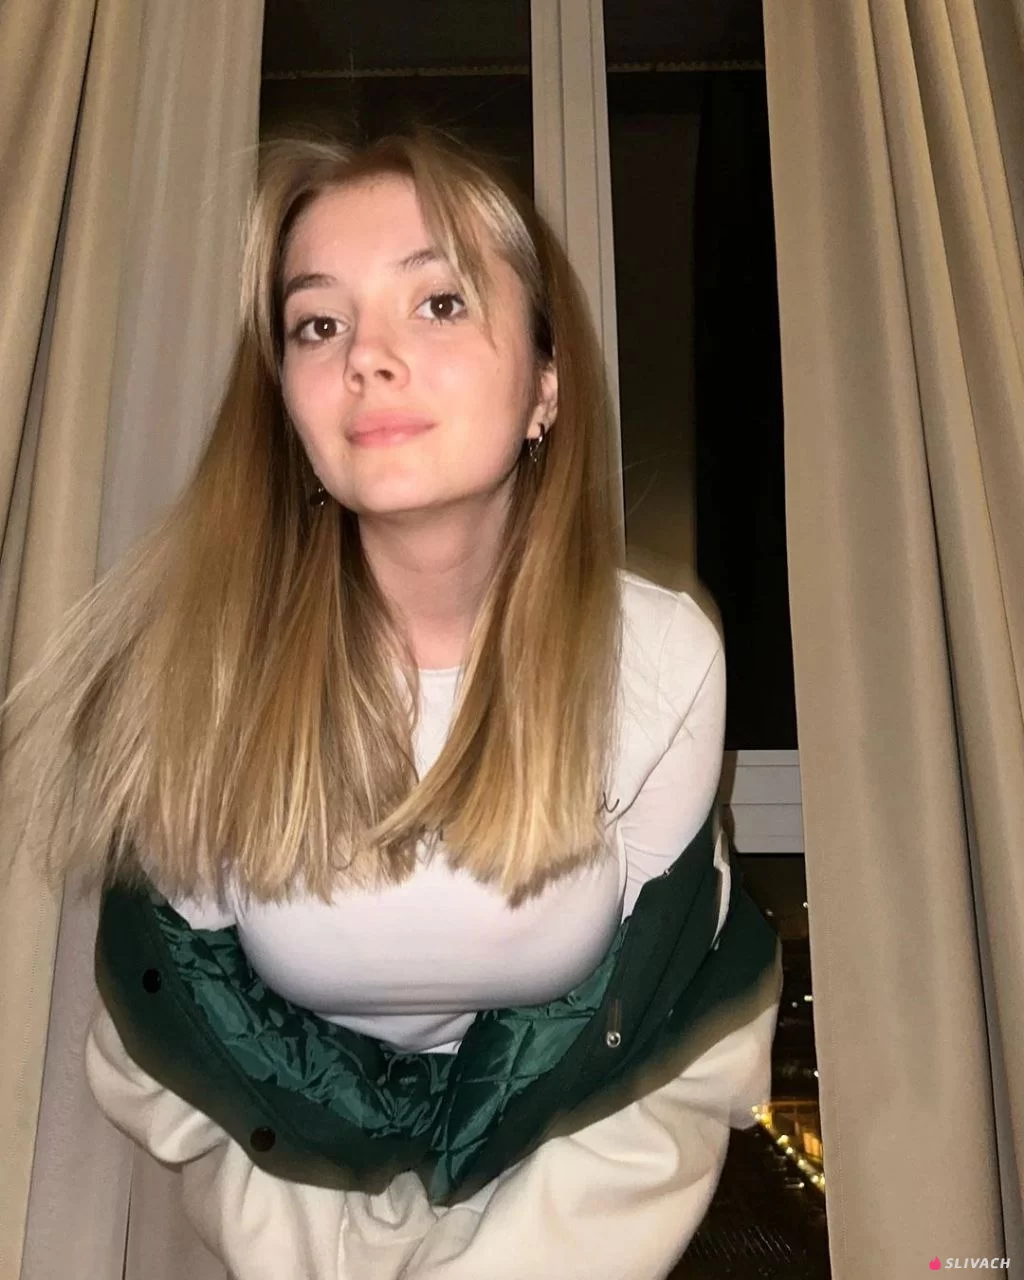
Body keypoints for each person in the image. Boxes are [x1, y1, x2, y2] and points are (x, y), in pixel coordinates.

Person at [2, 130, 781, 1280]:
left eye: (439, 302)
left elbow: (662, 1032)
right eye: (318, 323)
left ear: (545, 385)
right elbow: (182, 1042)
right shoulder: (187, 676)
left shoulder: (660, 660)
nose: (367, 355)